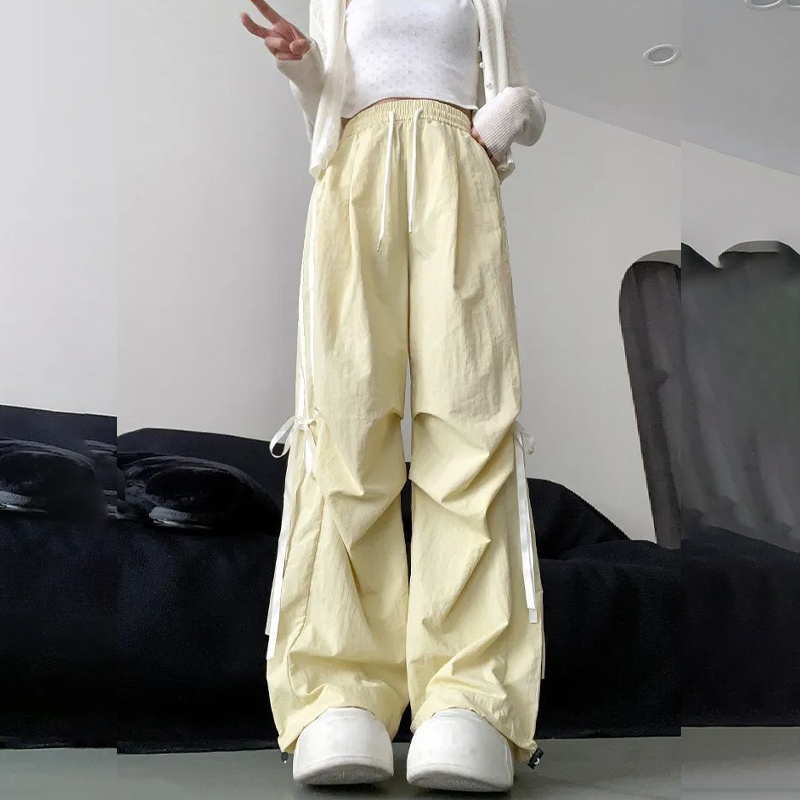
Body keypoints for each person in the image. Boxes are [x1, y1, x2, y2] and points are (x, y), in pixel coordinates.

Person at [241, 0, 547, 791]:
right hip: (356, 167)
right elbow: (328, 99)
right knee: (342, 419)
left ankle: (470, 698)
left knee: (471, 419)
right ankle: (339, 692)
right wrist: (300, 62)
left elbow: (521, 94)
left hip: (457, 170)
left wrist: (499, 127)